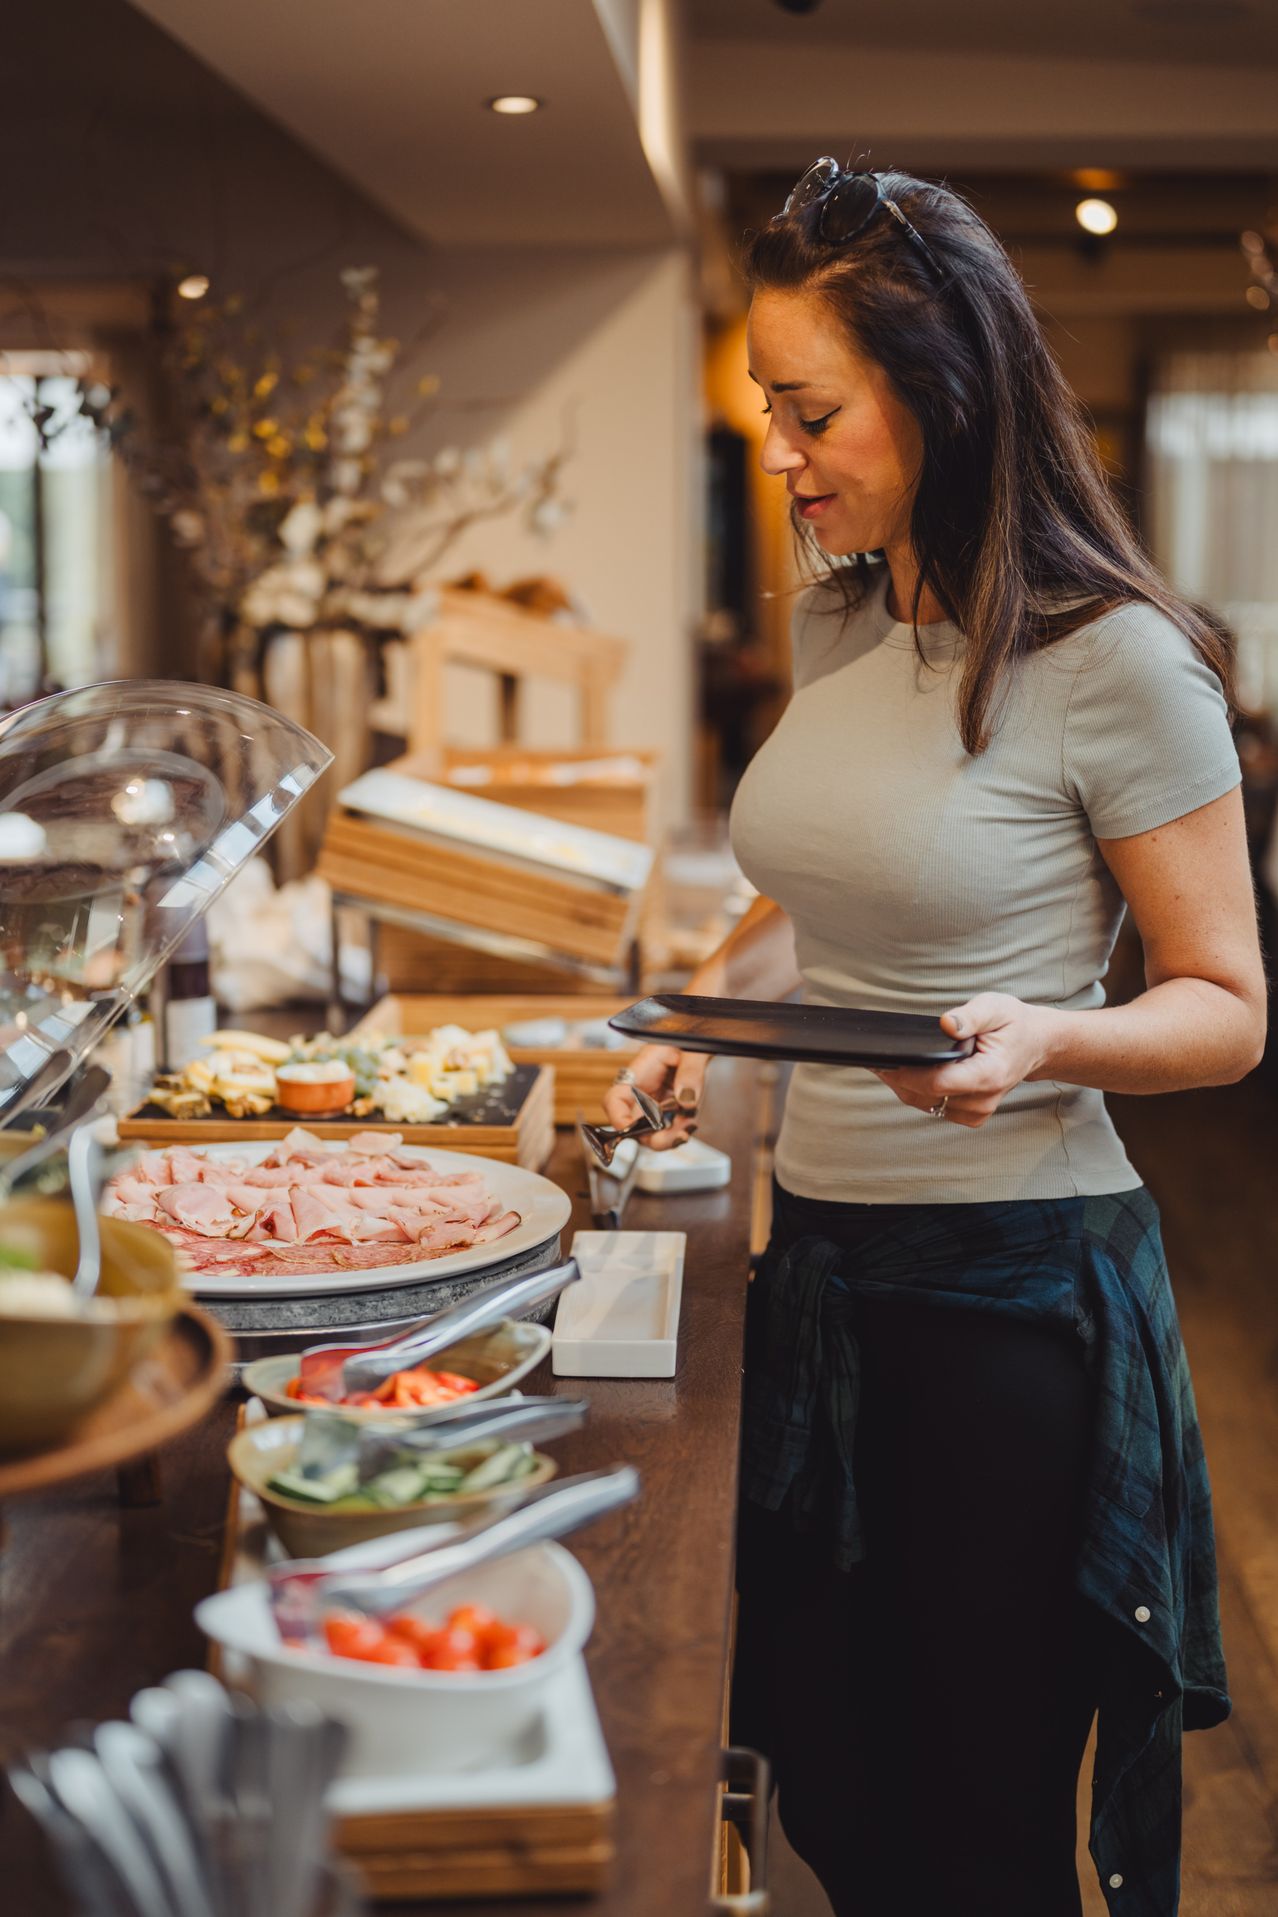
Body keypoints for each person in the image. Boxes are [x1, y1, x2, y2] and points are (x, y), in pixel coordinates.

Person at [603, 160, 1266, 1917]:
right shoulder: (843, 609)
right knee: (828, 1777)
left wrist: (1040, 1038)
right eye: (766, 408)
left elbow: (1224, 1011)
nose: (779, 448)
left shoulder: (1114, 660)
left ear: (946, 388)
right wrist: (707, 1012)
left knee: (965, 1838)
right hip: (818, 1271)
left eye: (809, 408)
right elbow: (830, 874)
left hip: (1010, 1301)